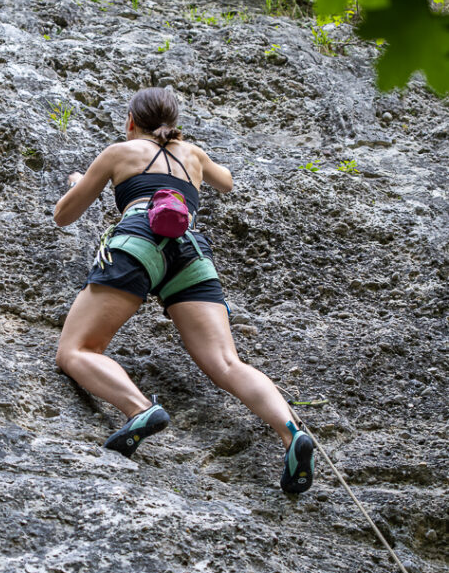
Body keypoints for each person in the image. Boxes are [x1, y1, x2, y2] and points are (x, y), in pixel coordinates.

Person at [53, 87, 314, 493]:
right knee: (228, 363)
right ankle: (290, 432)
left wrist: (81, 182)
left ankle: (139, 409)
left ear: (130, 122)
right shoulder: (193, 155)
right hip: (190, 250)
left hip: (137, 242)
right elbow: (226, 183)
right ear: (172, 123)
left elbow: (63, 216)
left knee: (76, 351)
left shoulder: (119, 152)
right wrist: (186, 153)